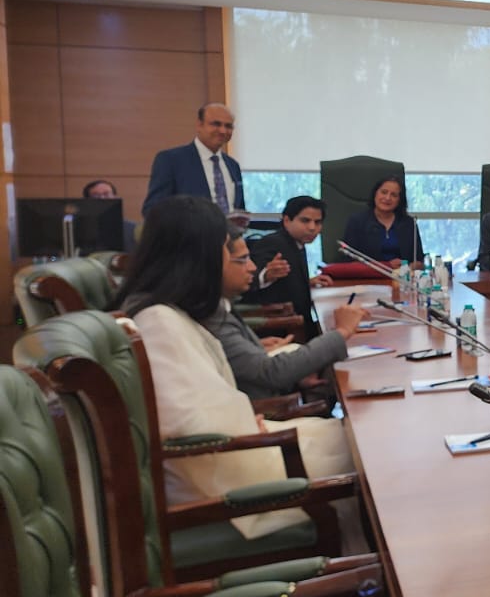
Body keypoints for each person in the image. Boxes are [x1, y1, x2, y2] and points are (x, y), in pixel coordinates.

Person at [114, 196, 357, 545]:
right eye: (227, 254)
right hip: (222, 477)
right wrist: (242, 424)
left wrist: (241, 418)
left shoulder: (164, 310)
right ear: (199, 257)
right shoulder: (158, 321)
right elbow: (182, 425)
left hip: (235, 443)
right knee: (359, 456)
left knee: (343, 433)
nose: (236, 262)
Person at [209, 225, 367, 400]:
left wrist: (255, 347)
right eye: (243, 259)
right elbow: (271, 373)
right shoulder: (212, 317)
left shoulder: (221, 305)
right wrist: (342, 331)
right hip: (264, 409)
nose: (252, 267)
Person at [241, 196, 335, 333]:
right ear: (286, 221)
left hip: (301, 323)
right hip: (280, 329)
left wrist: (306, 282)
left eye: (317, 222)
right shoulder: (272, 243)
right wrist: (265, 275)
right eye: (305, 221)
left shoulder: (297, 242)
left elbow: (284, 283)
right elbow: (247, 282)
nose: (312, 227)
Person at [144, 103, 245, 216]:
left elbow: (239, 209)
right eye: (216, 124)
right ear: (199, 125)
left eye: (228, 126)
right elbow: (153, 210)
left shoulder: (233, 166)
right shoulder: (171, 161)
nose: (223, 131)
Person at [341, 175, 424, 266]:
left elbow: (419, 259)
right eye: (384, 192)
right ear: (375, 194)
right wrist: (387, 265)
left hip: (403, 273)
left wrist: (416, 265)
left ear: (399, 200)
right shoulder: (357, 222)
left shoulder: (409, 223)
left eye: (394, 195)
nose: (388, 198)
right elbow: (348, 260)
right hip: (368, 274)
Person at [82, 179, 138, 252]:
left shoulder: (133, 229)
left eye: (106, 194)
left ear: (115, 198)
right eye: (95, 195)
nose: (102, 198)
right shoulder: (80, 229)